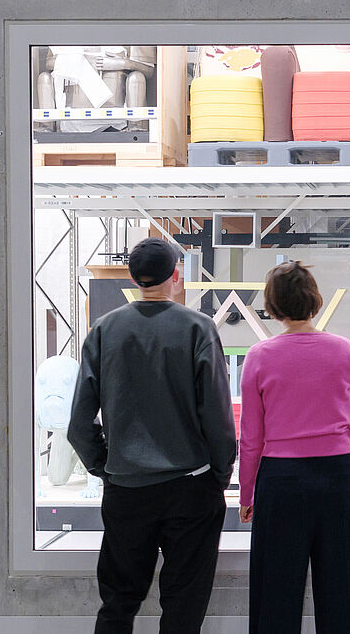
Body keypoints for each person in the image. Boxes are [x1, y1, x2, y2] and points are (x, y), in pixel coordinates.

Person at [68, 237, 236, 634]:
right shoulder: (198, 328)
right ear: (176, 276)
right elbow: (217, 416)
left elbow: (78, 423)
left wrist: (104, 466)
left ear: (133, 279)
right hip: (190, 488)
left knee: (118, 602)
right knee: (183, 605)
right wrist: (219, 474)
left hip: (127, 490)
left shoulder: (104, 330)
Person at [238, 261, 350, 633]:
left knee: (275, 600)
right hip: (340, 479)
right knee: (344, 600)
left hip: (281, 484)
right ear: (314, 301)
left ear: (272, 307)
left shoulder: (259, 357)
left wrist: (247, 494)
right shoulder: (346, 352)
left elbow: (250, 437)